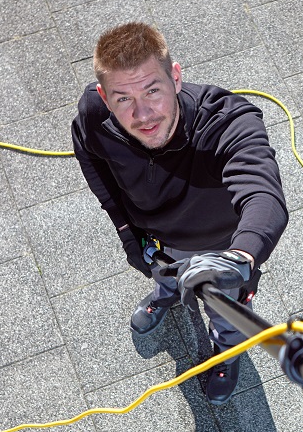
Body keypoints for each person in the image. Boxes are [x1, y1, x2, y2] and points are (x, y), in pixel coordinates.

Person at [71, 22, 288, 404]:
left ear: (176, 76)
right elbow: (91, 159)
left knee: (227, 312)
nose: (142, 114)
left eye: (153, 90)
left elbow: (263, 193)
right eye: (123, 98)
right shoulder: (93, 114)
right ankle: (166, 294)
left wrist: (240, 257)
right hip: (155, 240)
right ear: (104, 97)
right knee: (164, 276)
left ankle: (226, 353)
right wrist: (126, 230)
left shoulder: (227, 122)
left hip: (223, 251)